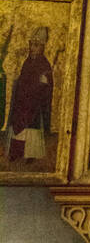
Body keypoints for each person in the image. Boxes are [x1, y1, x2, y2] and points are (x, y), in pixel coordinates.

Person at [3, 26, 53, 162]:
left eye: (36, 45)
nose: (32, 48)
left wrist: (41, 84)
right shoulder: (27, 61)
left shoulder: (44, 64)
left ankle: (30, 155)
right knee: (18, 124)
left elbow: (45, 87)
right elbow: (23, 78)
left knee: (31, 127)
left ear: (42, 47)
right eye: (31, 45)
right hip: (22, 101)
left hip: (34, 104)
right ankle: (16, 153)